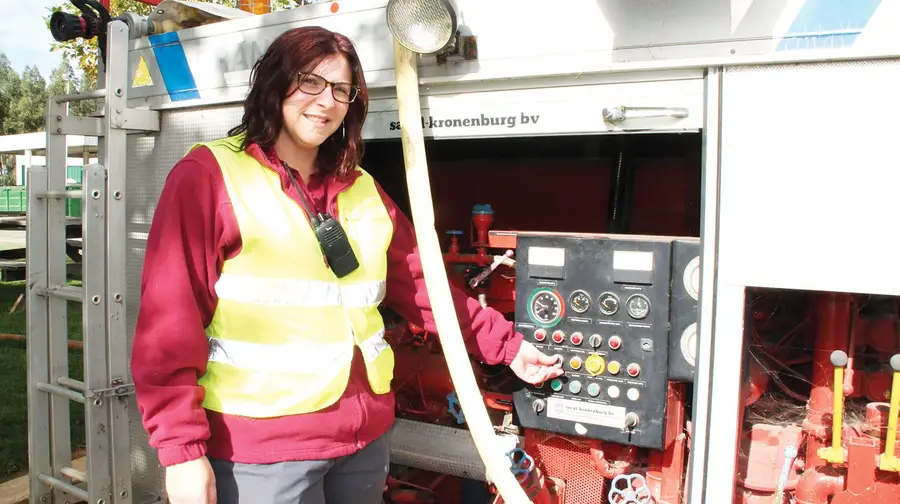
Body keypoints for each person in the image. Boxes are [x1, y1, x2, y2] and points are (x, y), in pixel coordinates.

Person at [130, 26, 564, 504]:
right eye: (309, 81)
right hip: (261, 454)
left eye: (341, 89)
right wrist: (182, 452)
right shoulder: (209, 176)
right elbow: (168, 327)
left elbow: (423, 288)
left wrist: (505, 345)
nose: (325, 101)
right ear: (275, 83)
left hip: (363, 442)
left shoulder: (360, 188)